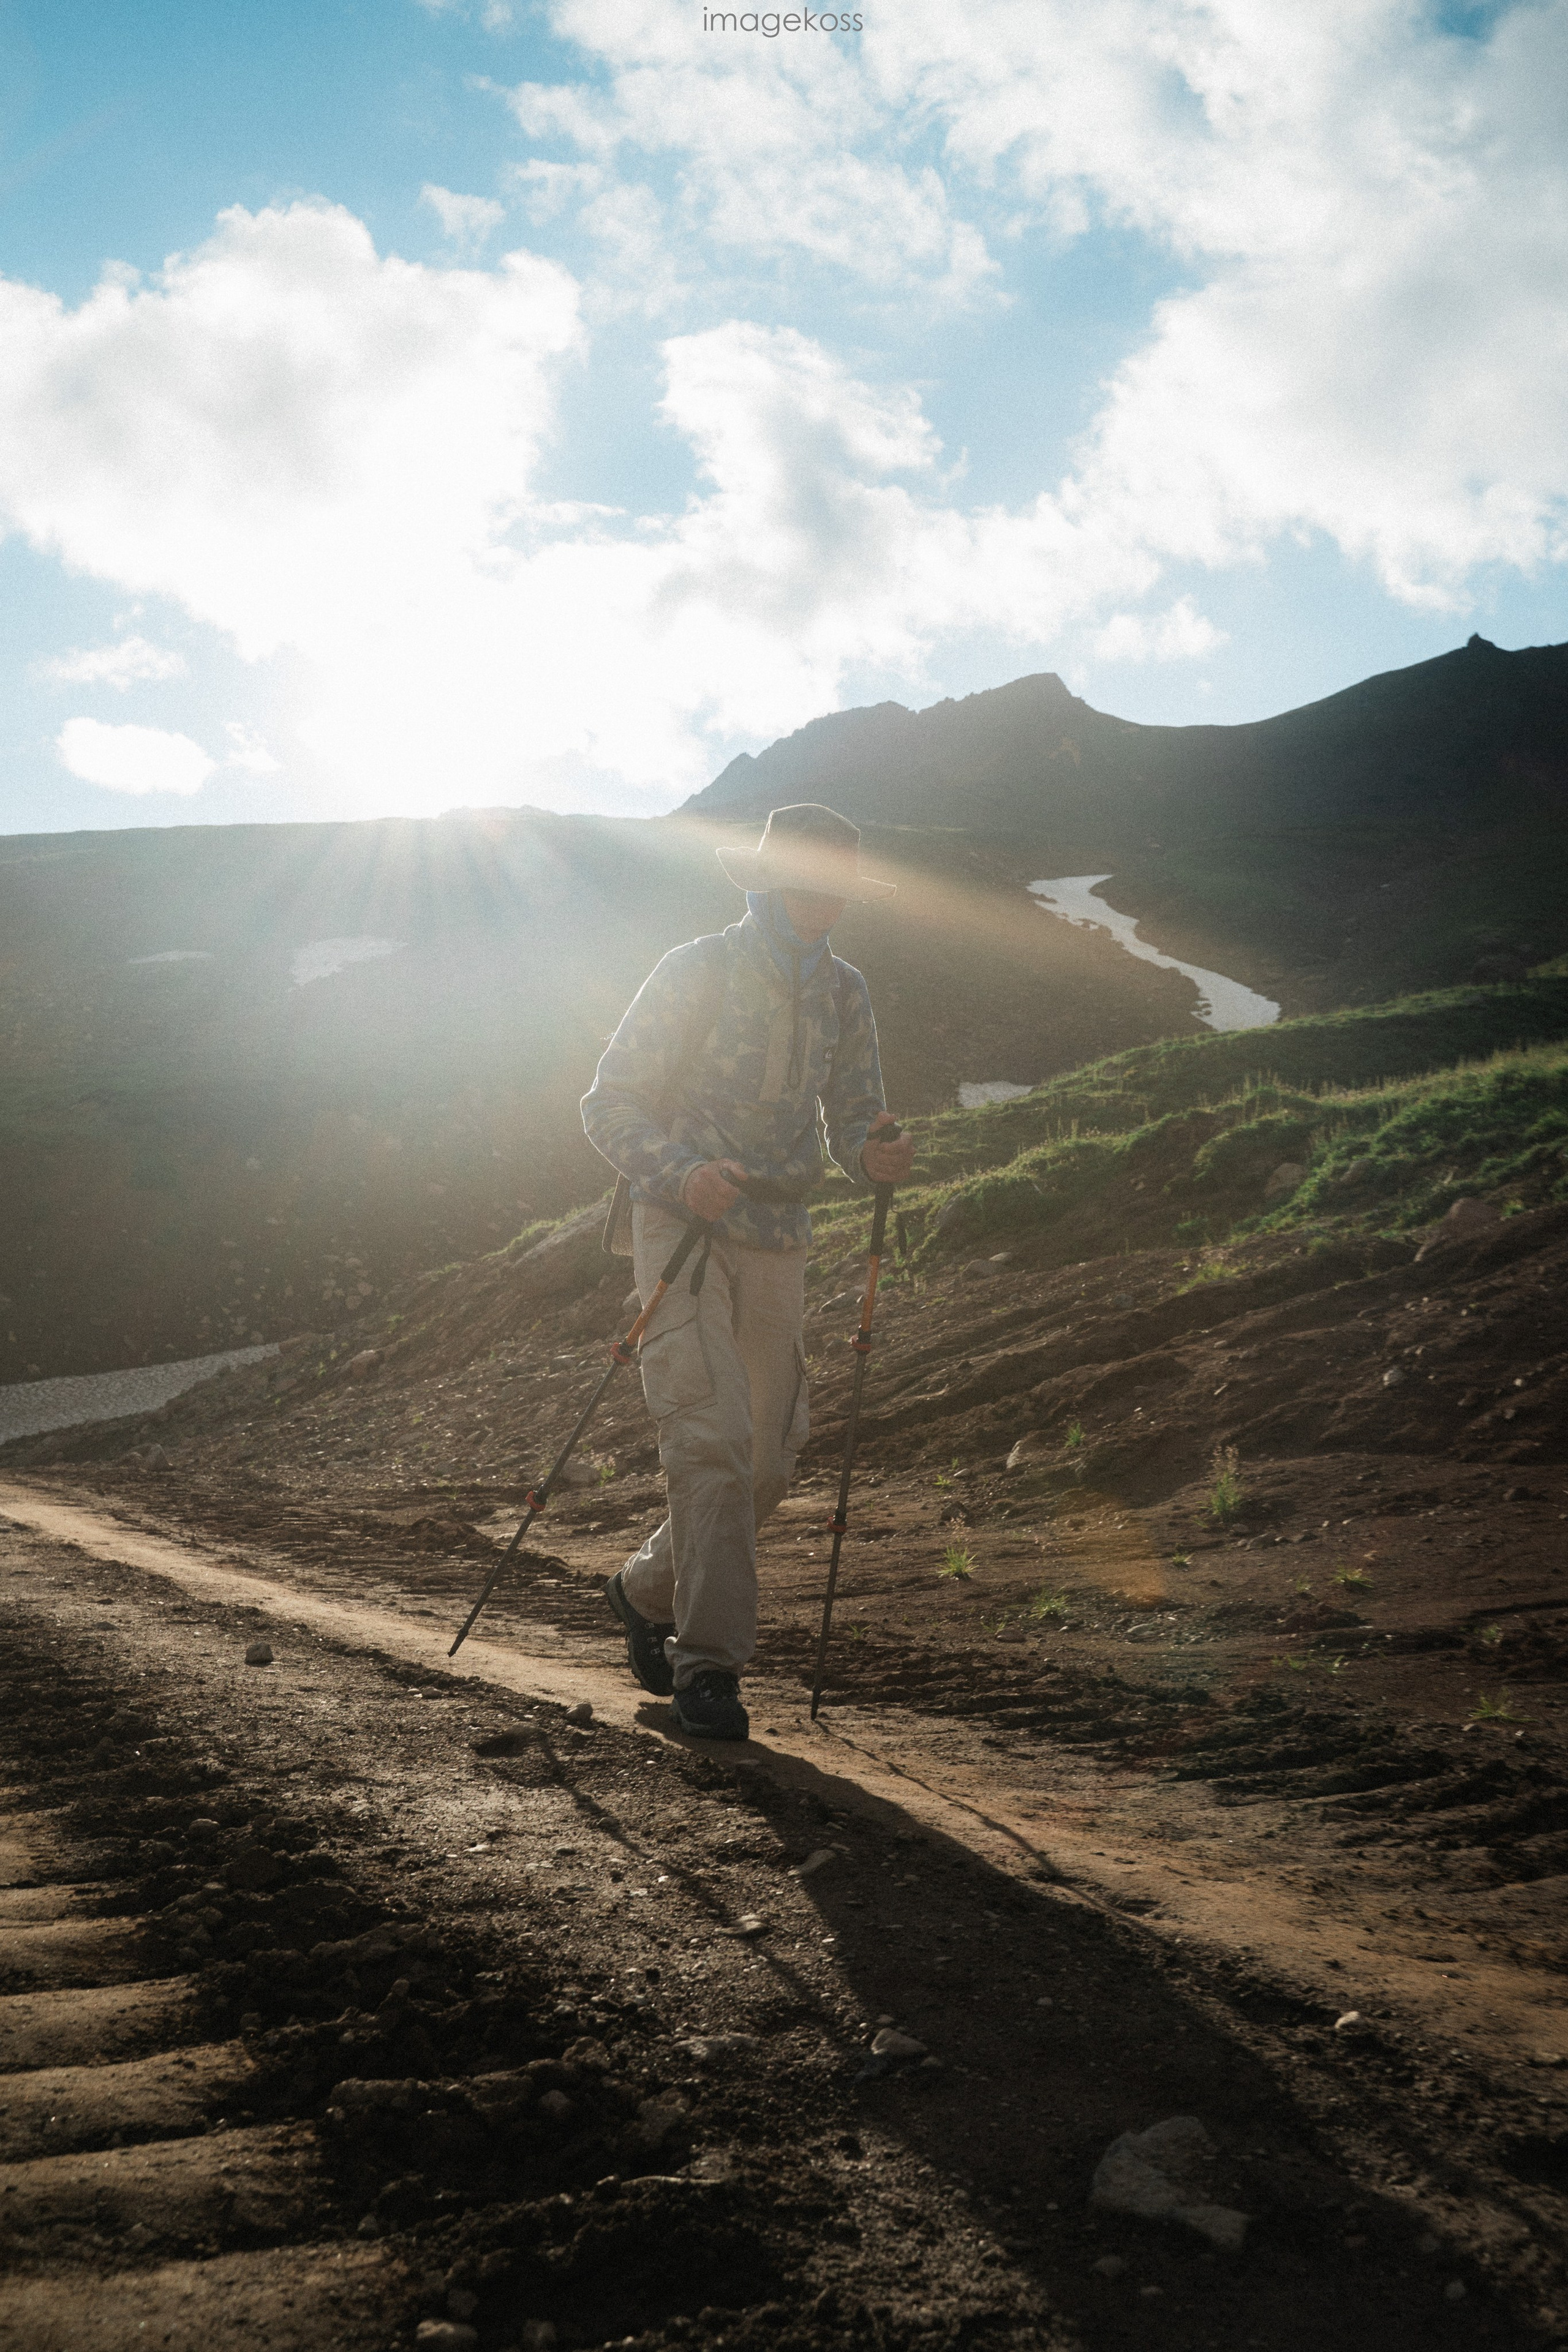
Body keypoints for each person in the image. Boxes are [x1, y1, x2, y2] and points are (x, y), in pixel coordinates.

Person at [581, 802, 915, 1740]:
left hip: (780, 1231)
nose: (826, 898)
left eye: (840, 884)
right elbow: (607, 1104)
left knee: (768, 1459)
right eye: (812, 878)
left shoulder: (847, 992)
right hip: (679, 1222)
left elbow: (856, 1119)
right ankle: (710, 1669)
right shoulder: (695, 969)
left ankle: (644, 1588)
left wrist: (875, 1153)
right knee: (711, 1435)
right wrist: (680, 1173)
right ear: (769, 879)